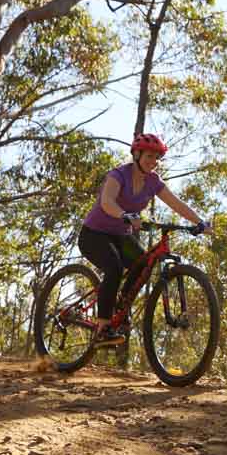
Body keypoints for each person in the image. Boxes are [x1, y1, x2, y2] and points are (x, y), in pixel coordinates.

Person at [79, 132, 211, 345]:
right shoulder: (118, 175)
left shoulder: (153, 181)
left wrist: (200, 222)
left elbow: (176, 204)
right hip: (94, 234)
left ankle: (121, 306)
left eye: (157, 158)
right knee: (113, 267)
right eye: (149, 156)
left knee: (143, 263)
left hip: (120, 236)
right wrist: (124, 215)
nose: (154, 162)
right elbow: (106, 202)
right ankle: (103, 327)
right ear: (137, 154)